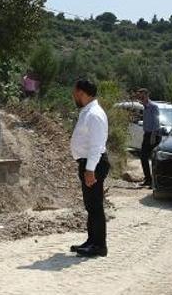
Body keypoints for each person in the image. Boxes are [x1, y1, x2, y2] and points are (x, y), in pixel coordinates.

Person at [69, 78, 110, 257]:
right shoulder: (88, 111)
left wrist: (90, 170)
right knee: (90, 205)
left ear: (82, 93)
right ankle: (91, 241)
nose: (73, 96)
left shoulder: (94, 114)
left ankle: (99, 246)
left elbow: (96, 145)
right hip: (88, 164)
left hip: (93, 164)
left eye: (75, 93)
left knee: (95, 205)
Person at [137, 88, 160, 188]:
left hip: (153, 134)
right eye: (140, 96)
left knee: (154, 159)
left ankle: (155, 182)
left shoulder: (153, 106)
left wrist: (153, 136)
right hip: (147, 134)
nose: (141, 98)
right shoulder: (144, 107)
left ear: (147, 95)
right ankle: (148, 180)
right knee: (143, 158)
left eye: (142, 96)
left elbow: (156, 122)